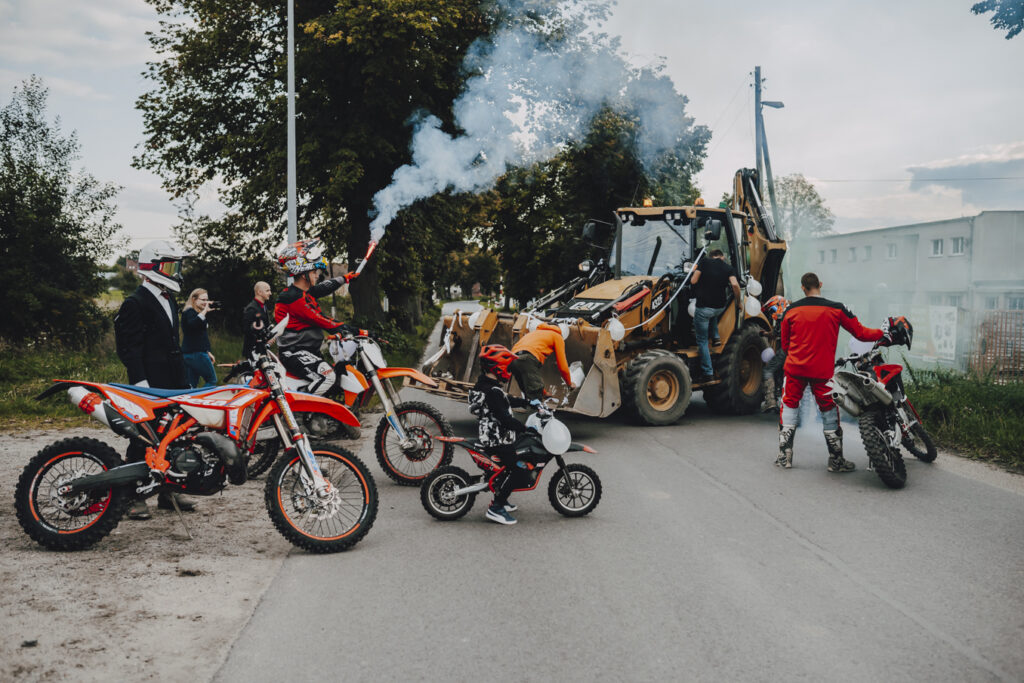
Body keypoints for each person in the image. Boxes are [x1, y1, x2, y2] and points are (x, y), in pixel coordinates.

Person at [114, 239, 195, 519]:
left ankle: (168, 490)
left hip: (173, 381)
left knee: (173, 435)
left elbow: (173, 343)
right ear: (153, 267)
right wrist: (139, 383)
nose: (176, 271)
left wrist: (184, 382)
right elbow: (129, 347)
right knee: (143, 438)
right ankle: (133, 496)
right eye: (170, 265)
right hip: (148, 384)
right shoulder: (135, 303)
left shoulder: (169, 299)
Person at [777, 272, 889, 472]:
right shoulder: (837, 309)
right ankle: (836, 461)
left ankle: (784, 456)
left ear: (803, 287)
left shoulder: (791, 310)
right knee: (829, 410)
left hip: (795, 369)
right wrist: (883, 333)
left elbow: (785, 345)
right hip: (822, 372)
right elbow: (862, 333)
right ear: (820, 284)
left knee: (789, 405)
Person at [274, 239, 355, 395]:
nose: (317, 275)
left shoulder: (303, 293)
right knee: (328, 378)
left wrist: (345, 279)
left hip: (307, 351)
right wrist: (350, 329)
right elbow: (319, 318)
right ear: (304, 275)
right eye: (314, 272)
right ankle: (301, 415)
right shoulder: (293, 298)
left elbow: (323, 288)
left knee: (338, 375)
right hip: (294, 352)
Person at [471, 345, 534, 525]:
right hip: (496, 439)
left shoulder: (486, 386)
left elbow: (506, 399)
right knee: (520, 470)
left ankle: (502, 499)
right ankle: (496, 507)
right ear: (497, 368)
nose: (508, 372)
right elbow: (505, 419)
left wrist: (528, 402)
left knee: (508, 467)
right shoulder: (492, 392)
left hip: (492, 435)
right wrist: (525, 429)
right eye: (506, 368)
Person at [689, 249, 741, 383]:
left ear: (712, 256)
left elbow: (694, 281)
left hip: (704, 308)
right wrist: (738, 302)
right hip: (719, 307)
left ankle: (708, 372)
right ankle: (716, 337)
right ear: (722, 257)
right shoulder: (729, 268)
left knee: (702, 341)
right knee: (712, 315)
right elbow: (735, 284)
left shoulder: (704, 262)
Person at [509, 323, 575, 401]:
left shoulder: (533, 333)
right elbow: (563, 367)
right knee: (535, 398)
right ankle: (535, 411)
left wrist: (543, 393)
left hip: (512, 359)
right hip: (528, 359)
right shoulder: (557, 336)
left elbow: (532, 379)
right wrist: (569, 384)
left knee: (529, 394)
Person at [181, 288, 218, 388]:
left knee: (192, 384)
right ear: (194, 299)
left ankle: (188, 402)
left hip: (193, 353)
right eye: (203, 300)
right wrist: (205, 311)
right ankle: (202, 401)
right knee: (212, 380)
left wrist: (208, 351)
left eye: (207, 300)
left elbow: (200, 336)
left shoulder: (196, 313)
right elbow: (193, 324)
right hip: (196, 353)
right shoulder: (189, 311)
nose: (206, 303)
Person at [759, 295, 790, 412]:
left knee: (768, 370)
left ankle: (770, 402)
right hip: (799, 351)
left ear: (779, 305)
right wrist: (766, 334)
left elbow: (779, 333)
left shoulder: (783, 316)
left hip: (787, 350)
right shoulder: (791, 312)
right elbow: (777, 333)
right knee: (781, 372)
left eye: (772, 309)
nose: (772, 313)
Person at [241, 281, 273, 359]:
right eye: (267, 290)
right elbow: (246, 329)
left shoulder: (263, 306)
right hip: (253, 350)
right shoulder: (251, 309)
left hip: (262, 348)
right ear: (259, 292)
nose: (270, 293)